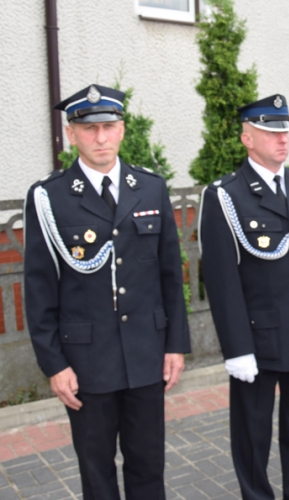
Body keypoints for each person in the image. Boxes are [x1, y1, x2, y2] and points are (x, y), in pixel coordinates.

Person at [24, 84, 190, 499]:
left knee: (148, 466)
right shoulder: (49, 197)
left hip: (145, 354)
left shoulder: (150, 187)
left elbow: (170, 275)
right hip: (86, 361)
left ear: (122, 129)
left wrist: (175, 345)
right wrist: (54, 364)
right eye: (89, 128)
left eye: (109, 127)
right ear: (71, 133)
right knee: (97, 471)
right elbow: (40, 288)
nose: (101, 137)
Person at [199, 94, 289, 499]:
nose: (283, 139)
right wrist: (237, 348)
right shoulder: (226, 195)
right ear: (247, 138)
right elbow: (222, 281)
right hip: (258, 337)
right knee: (253, 434)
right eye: (270, 132)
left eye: (285, 130)